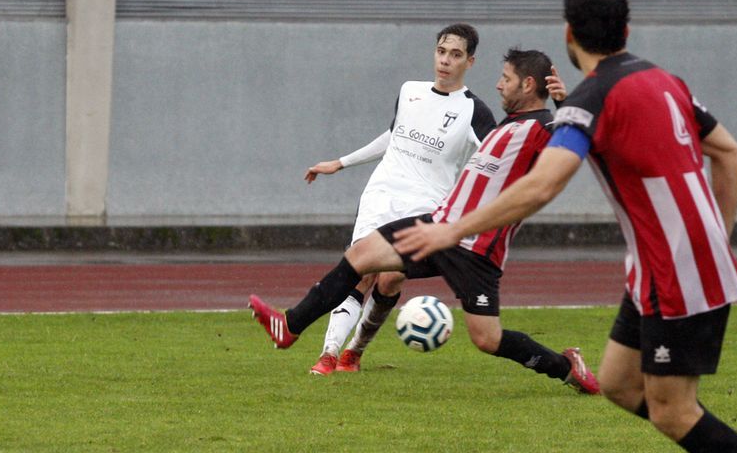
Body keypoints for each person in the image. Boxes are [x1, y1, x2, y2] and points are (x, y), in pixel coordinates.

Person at [391, 0, 737, 453]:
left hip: (674, 270)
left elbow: (542, 184)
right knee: (617, 383)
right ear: (626, 30)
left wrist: (452, 229)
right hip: (658, 266)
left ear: (569, 36)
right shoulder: (665, 80)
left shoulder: (590, 100)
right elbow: (729, 153)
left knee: (673, 410)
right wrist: (716, 236)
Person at [249, 48, 600, 395]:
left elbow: (589, 139)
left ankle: (567, 367)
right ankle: (290, 326)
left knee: (487, 339)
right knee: (360, 255)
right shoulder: (506, 125)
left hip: (476, 250)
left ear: (527, 85)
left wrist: (563, 103)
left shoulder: (543, 127)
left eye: (505, 79)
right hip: (437, 228)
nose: (498, 85)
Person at [301, 23, 496, 376]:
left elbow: (499, 160)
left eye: (455, 55)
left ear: (470, 61)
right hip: (383, 193)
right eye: (441, 51)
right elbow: (394, 136)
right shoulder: (410, 91)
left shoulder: (474, 112)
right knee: (361, 269)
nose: (445, 61)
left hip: (426, 205)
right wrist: (341, 163)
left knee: (390, 279)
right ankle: (328, 354)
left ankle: (354, 353)